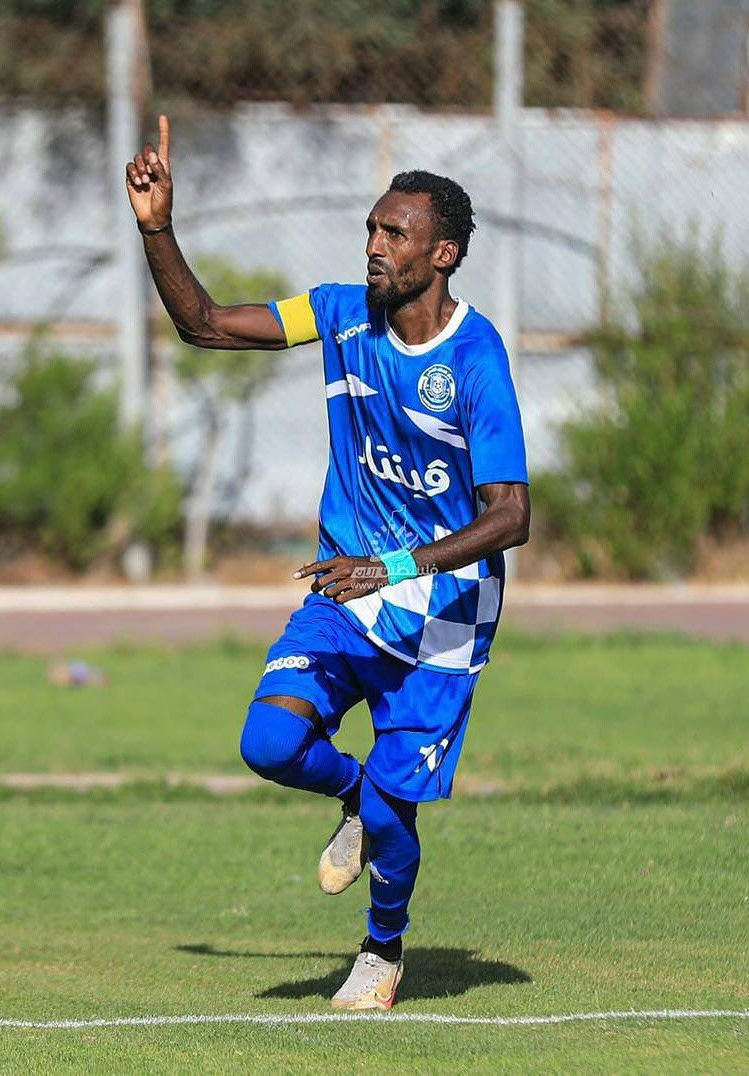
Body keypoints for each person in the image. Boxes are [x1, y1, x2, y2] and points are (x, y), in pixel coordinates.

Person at [126, 116, 530, 1011]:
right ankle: (351, 794)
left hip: (442, 614)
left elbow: (510, 517)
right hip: (346, 591)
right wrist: (158, 227)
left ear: (443, 254)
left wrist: (393, 567)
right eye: (371, 229)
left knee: (396, 808)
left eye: (395, 234)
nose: (374, 246)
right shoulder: (342, 312)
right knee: (268, 744)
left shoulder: (474, 360)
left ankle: (382, 951)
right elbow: (203, 325)